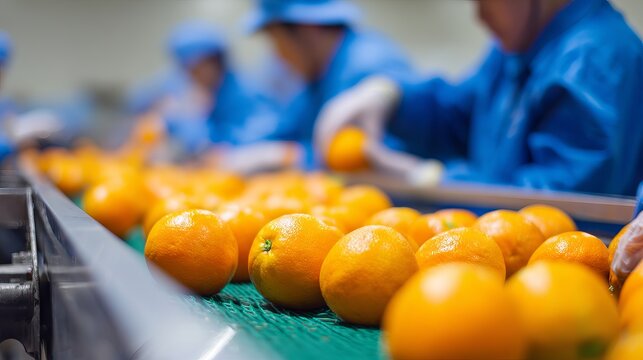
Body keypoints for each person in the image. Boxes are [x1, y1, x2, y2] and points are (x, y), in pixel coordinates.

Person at [315, 0, 643, 196]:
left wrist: (428, 179)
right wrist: (390, 96)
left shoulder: (597, 60)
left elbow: (559, 208)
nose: (479, 16)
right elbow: (461, 115)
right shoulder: (521, 48)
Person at [246, 0, 416, 168]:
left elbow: (363, 154)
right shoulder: (321, 76)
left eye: (277, 42)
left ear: (306, 28)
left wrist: (289, 157)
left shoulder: (368, 66)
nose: (279, 57)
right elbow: (293, 127)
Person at [127, 20, 277, 161]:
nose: (196, 76)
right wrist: (162, 117)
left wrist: (194, 123)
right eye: (189, 70)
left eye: (200, 67)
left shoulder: (245, 93)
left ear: (218, 61)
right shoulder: (189, 87)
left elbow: (252, 143)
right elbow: (141, 98)